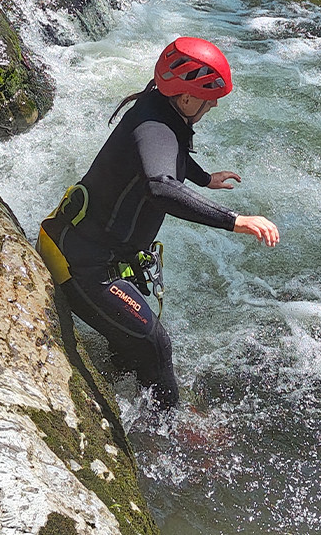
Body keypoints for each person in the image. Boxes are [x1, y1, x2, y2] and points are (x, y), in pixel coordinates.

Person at [36, 37, 279, 409]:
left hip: (98, 248)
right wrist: (235, 220)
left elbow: (170, 153)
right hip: (81, 262)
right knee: (154, 344)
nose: (212, 104)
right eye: (208, 98)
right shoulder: (155, 127)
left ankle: (124, 398)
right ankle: (167, 431)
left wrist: (204, 178)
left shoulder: (159, 107)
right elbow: (159, 187)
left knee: (130, 346)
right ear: (184, 98)